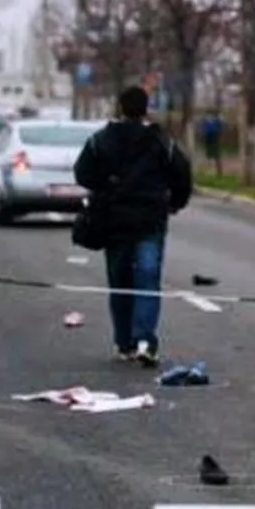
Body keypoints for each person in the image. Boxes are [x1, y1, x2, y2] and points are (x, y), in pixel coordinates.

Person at [73, 86, 193, 367]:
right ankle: (145, 341)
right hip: (150, 220)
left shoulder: (101, 139)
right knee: (148, 279)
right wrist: (174, 203)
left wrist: (106, 189)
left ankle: (124, 341)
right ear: (146, 108)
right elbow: (182, 174)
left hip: (114, 222)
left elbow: (82, 173)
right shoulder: (162, 141)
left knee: (120, 281)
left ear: (121, 108)